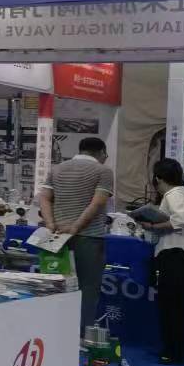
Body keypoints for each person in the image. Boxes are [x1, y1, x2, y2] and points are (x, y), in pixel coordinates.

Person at [38, 134, 114, 327]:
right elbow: (97, 203)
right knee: (87, 288)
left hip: (57, 237)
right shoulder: (103, 171)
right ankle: (79, 334)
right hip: (89, 238)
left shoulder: (57, 169)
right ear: (101, 153)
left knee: (57, 285)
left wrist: (50, 224)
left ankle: (53, 330)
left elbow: (44, 197)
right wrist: (76, 226)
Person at [147, 158, 184, 364]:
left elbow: (181, 220)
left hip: (176, 255)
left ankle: (173, 352)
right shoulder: (182, 194)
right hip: (182, 254)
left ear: (157, 178)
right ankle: (172, 349)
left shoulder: (174, 195)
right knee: (174, 306)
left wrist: (153, 226)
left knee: (171, 306)